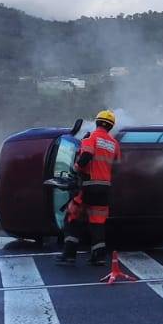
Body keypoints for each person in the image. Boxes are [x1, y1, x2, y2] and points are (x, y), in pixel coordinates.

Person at [58, 109, 120, 265]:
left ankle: (69, 255)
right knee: (97, 222)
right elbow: (117, 167)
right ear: (110, 126)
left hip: (87, 186)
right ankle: (98, 257)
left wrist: (76, 168)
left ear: (97, 122)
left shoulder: (90, 138)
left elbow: (86, 156)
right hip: (104, 188)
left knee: (72, 217)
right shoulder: (114, 144)